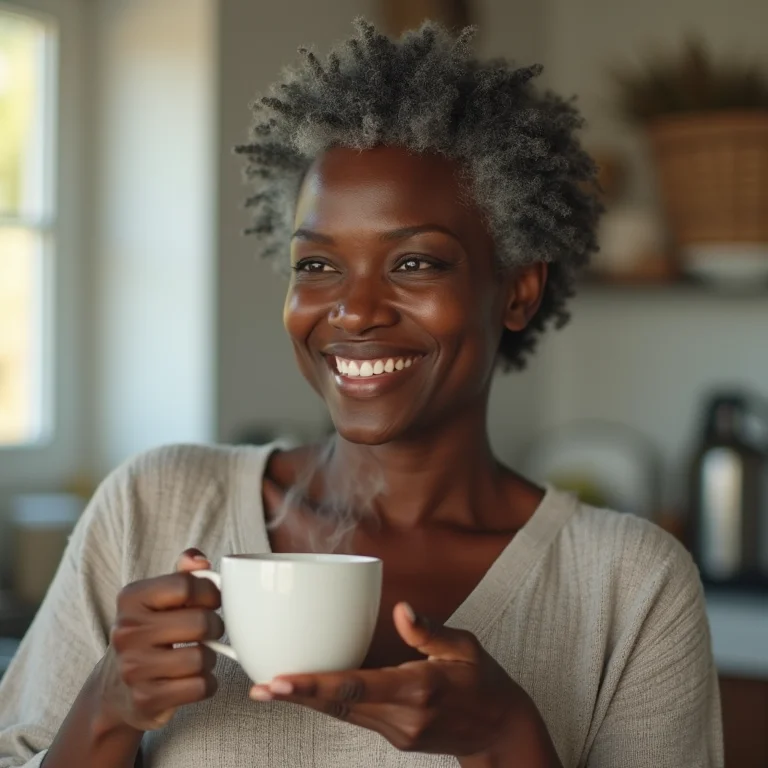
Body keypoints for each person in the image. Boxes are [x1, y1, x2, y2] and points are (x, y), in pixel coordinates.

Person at [0, 18, 722, 768]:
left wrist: (507, 740)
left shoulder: (630, 585)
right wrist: (108, 707)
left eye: (414, 264)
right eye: (316, 266)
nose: (354, 310)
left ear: (518, 291)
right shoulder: (154, 505)